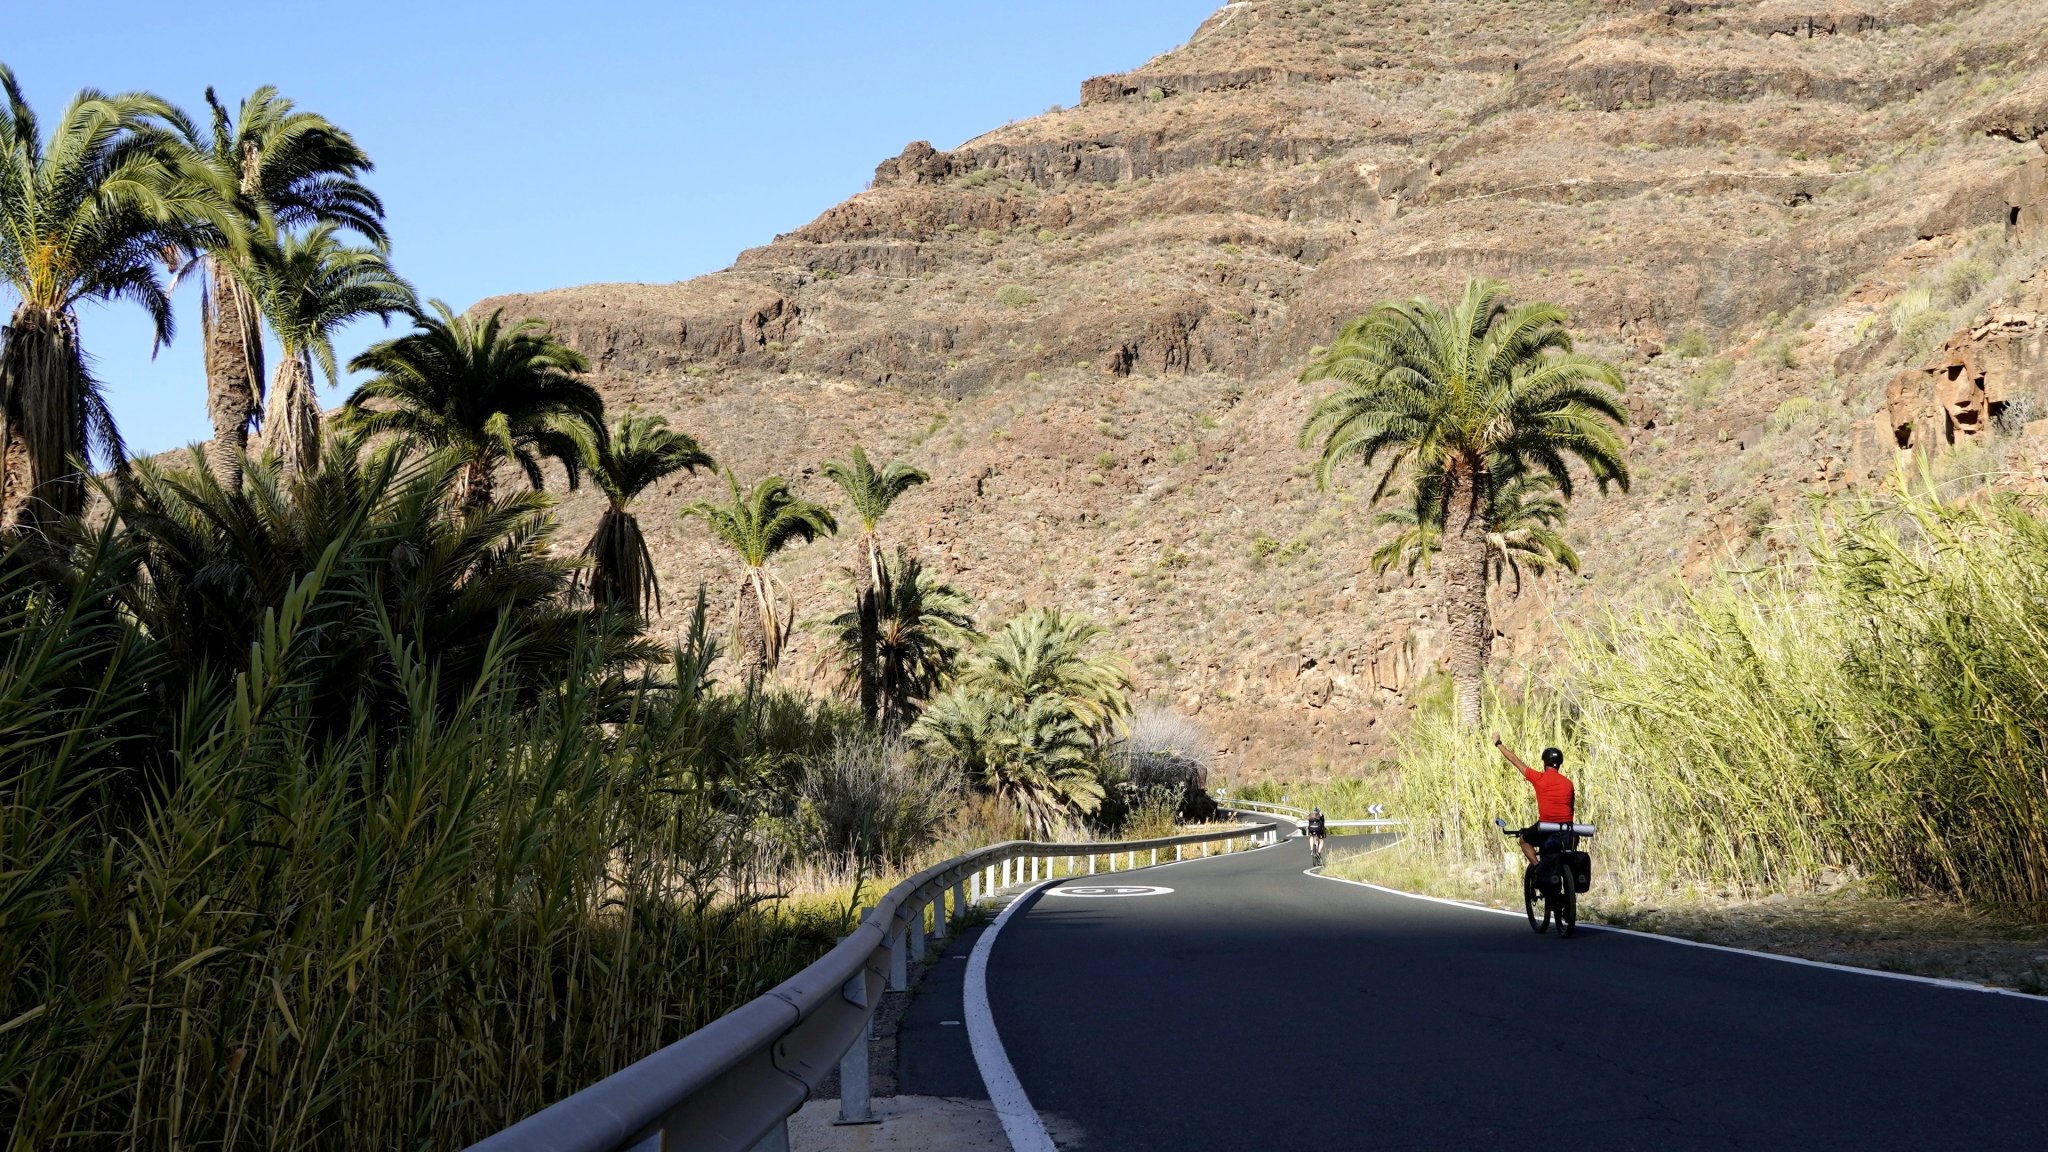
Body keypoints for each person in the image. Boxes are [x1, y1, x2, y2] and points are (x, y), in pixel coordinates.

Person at [1493, 735, 1573, 867]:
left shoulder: (1539, 778)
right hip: (1567, 829)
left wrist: (1498, 743)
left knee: (1523, 840)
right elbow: (1571, 807)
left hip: (1546, 826)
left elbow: (1514, 760)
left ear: (1544, 763)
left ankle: (1538, 867)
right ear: (1559, 764)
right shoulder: (1568, 783)